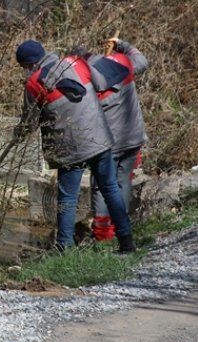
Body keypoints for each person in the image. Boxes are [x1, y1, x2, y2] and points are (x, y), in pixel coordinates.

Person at [14, 39, 136, 253]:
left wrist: (16, 135)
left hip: (69, 148)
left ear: (28, 64)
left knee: (68, 198)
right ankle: (127, 243)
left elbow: (29, 123)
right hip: (99, 138)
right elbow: (100, 85)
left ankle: (64, 249)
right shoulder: (76, 63)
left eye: (24, 67)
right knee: (110, 188)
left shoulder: (33, 83)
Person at [70, 39, 148, 241]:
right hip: (132, 137)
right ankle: (121, 228)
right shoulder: (121, 62)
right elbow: (141, 60)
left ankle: (103, 234)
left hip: (106, 143)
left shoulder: (83, 78)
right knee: (122, 183)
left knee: (103, 187)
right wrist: (121, 44)